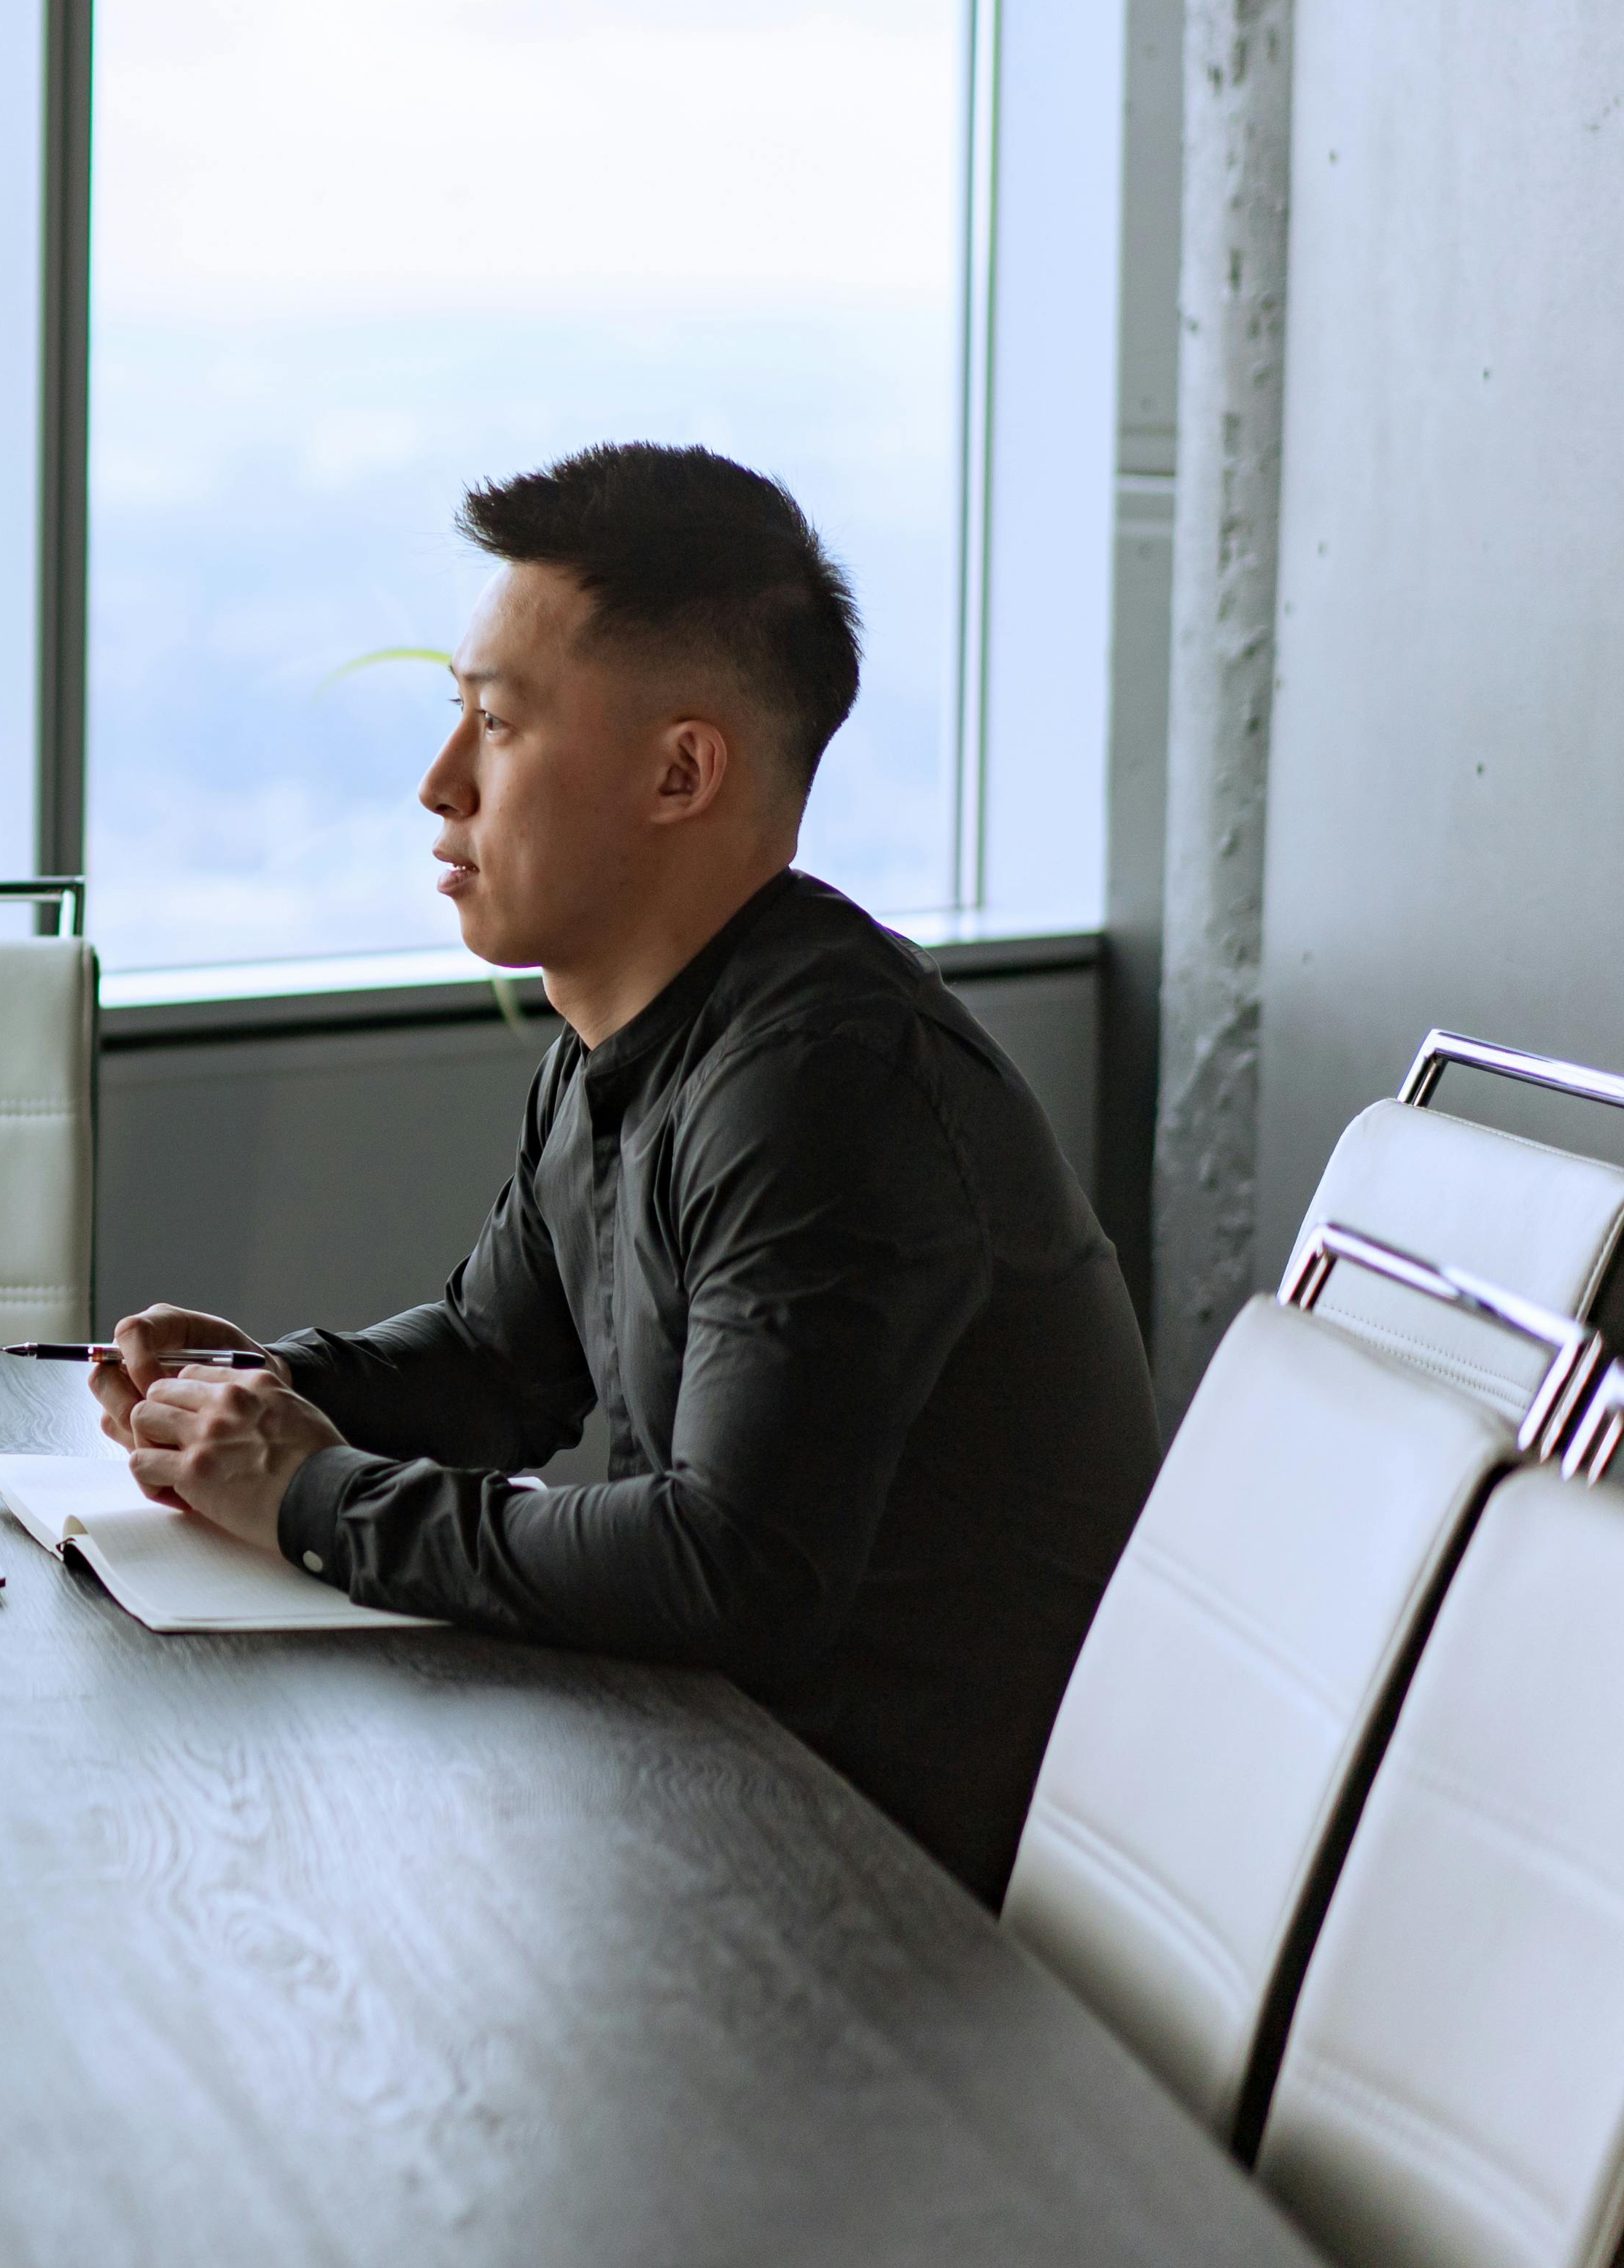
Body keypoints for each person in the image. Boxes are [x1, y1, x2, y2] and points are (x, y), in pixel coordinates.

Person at [93, 444, 1157, 1903]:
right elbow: (495, 1362)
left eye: (497, 725)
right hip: (716, 1807)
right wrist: (252, 1389)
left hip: (879, 1922)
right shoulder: (640, 1039)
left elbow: (729, 1566)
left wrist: (309, 1490)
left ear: (680, 769)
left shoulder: (823, 1086)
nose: (439, 783)